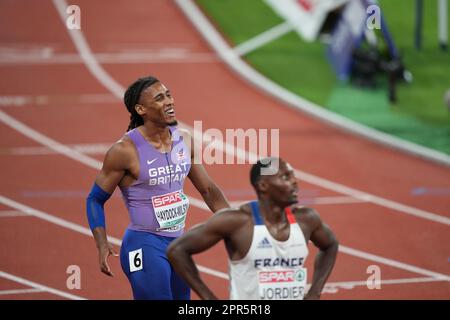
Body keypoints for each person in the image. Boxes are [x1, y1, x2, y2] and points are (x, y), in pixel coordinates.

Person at [86, 75, 230, 300]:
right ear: (141, 109)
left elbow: (208, 190)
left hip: (178, 245)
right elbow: (95, 199)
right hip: (144, 245)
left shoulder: (184, 140)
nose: (169, 101)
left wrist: (234, 223)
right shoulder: (125, 151)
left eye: (169, 94)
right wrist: (102, 244)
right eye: (160, 98)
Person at [167, 157, 339, 300]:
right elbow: (177, 250)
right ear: (263, 186)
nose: (295, 182)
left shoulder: (307, 220)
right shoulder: (237, 222)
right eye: (286, 177)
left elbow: (330, 245)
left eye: (293, 176)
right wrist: (208, 298)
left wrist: (315, 292)